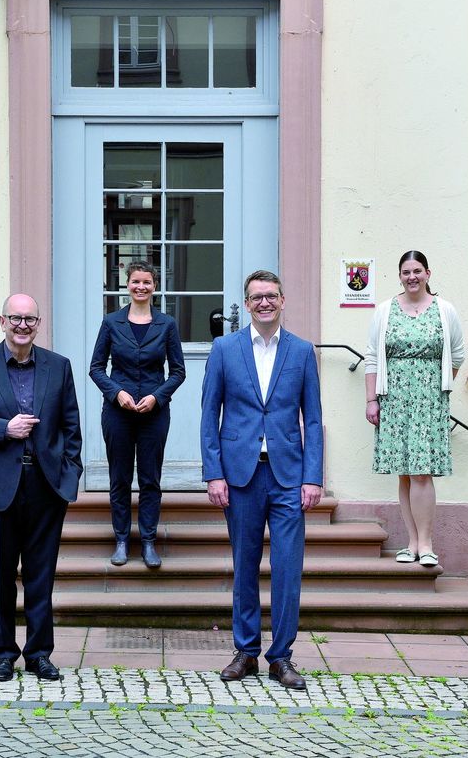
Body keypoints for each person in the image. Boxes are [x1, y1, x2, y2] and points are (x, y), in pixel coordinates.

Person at [200, 270, 324, 691]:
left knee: (288, 568)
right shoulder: (225, 348)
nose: (264, 303)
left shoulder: (303, 352)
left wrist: (313, 476)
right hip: (240, 475)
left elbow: (315, 419)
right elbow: (208, 415)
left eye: (271, 296)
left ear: (283, 300)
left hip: (289, 476)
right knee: (245, 565)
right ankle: (246, 652)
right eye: (256, 297)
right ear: (247, 304)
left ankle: (282, 657)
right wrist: (213, 472)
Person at [0, 294, 83, 683]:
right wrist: (2, 428)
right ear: (2, 321)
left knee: (41, 575)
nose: (23, 325)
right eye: (15, 318)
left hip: (46, 485)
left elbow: (71, 425)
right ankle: (4, 654)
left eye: (30, 319)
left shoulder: (58, 367)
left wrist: (69, 474)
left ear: (38, 323)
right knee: (1, 575)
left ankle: (40, 654)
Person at [363, 250, 464, 568]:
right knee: (405, 474)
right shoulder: (384, 311)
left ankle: (426, 543)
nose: (412, 277)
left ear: (428, 274)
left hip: (429, 402)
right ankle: (410, 543)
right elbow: (372, 357)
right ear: (400, 276)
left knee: (422, 473)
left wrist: (438, 386)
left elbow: (458, 354)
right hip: (394, 401)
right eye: (406, 272)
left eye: (417, 271)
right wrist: (371, 399)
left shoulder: (445, 310)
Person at [88, 261, 185, 569]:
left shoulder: (166, 324)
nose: (141, 286)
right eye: (135, 281)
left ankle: (147, 541)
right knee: (119, 478)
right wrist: (116, 392)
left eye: (147, 282)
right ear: (127, 285)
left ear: (154, 286)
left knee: (150, 479)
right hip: (118, 413)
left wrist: (158, 397)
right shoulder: (111, 322)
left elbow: (178, 372)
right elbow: (96, 368)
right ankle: (120, 539)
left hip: (154, 415)